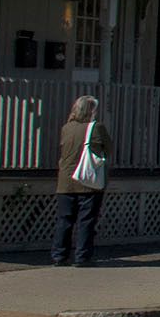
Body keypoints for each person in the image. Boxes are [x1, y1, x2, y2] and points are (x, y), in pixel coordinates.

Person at [53, 96, 112, 266]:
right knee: (86, 221)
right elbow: (108, 150)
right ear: (91, 111)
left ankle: (59, 256)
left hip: (65, 181)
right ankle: (82, 257)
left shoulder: (66, 128)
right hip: (88, 181)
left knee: (65, 220)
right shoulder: (96, 128)